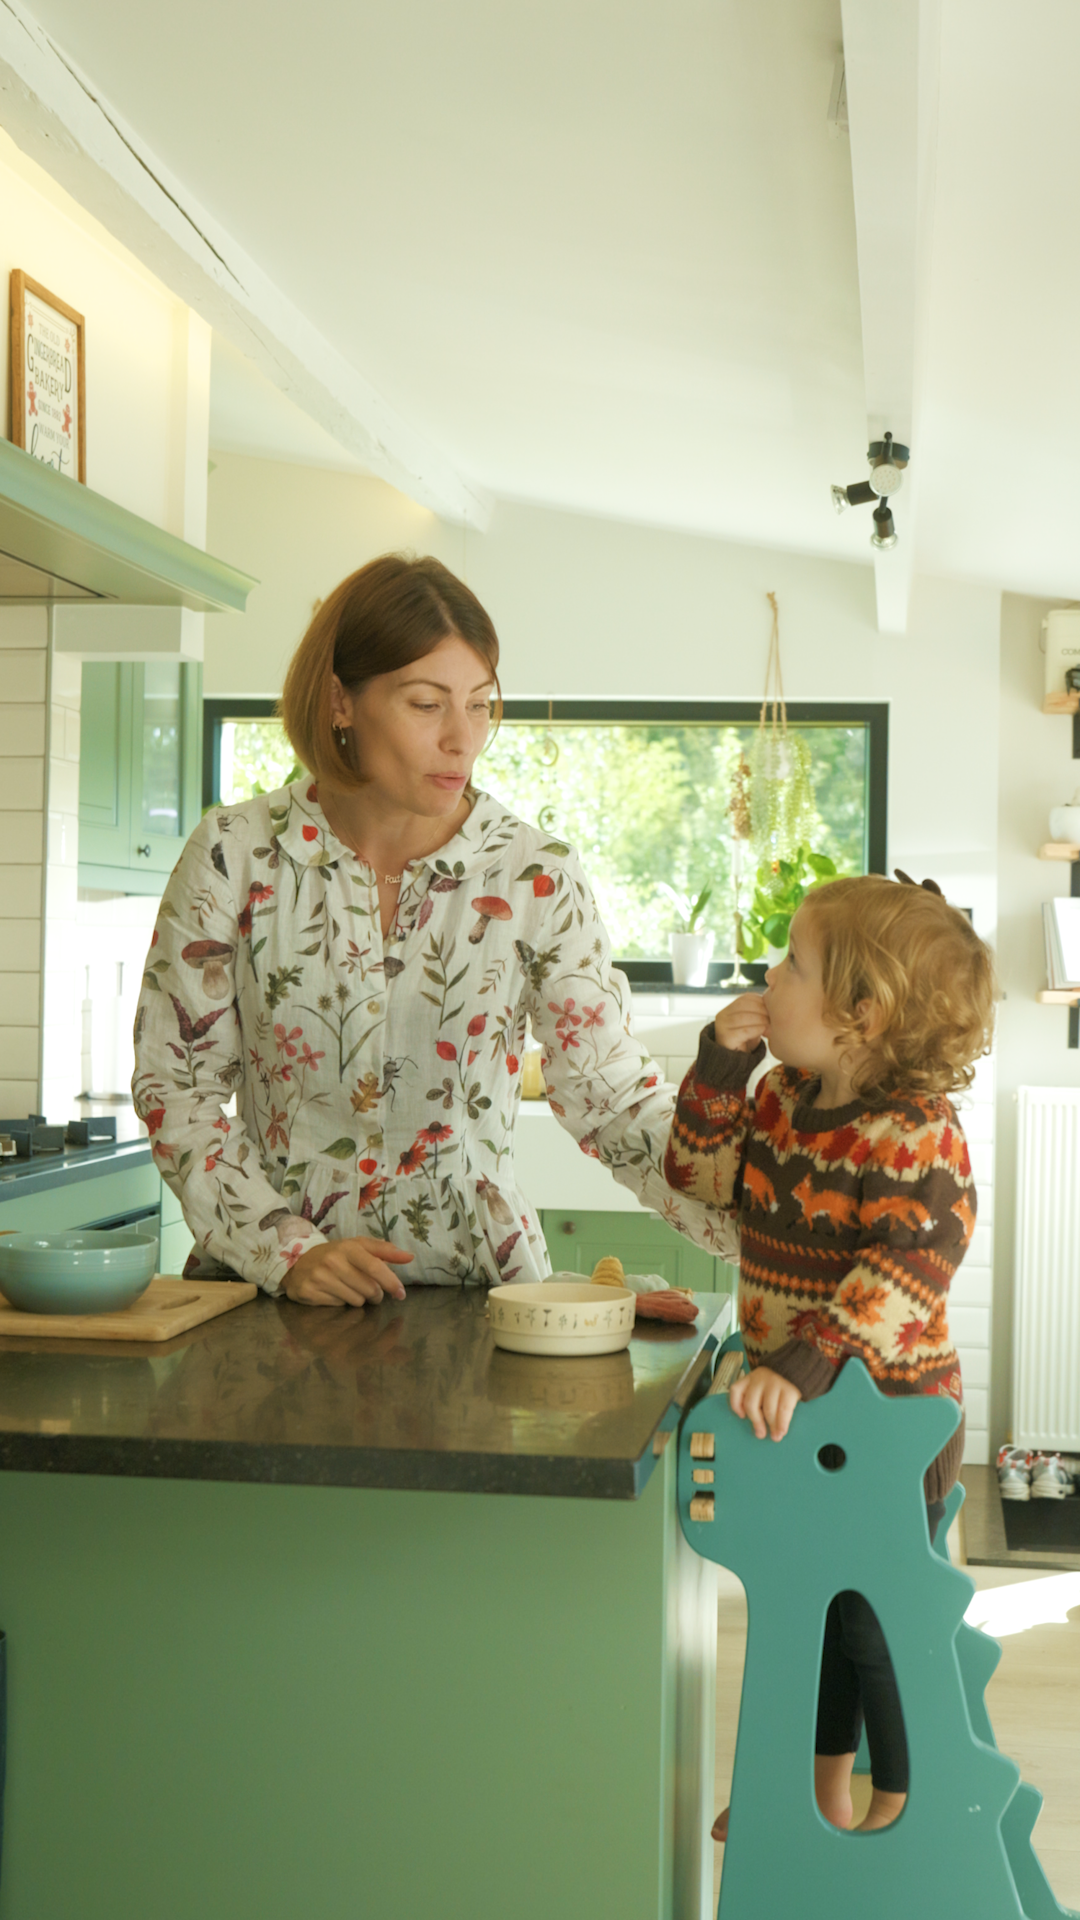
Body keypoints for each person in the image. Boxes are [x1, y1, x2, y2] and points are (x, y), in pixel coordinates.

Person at [132, 552, 737, 1304]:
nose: (464, 738)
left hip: (479, 1302)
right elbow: (176, 1092)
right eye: (427, 704)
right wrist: (286, 1251)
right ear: (340, 702)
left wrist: (780, 1217)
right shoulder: (234, 854)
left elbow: (611, 1097)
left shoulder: (533, 874)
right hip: (270, 1298)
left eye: (481, 703)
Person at [663, 872, 996, 1837]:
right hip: (797, 1416)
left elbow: (904, 1277)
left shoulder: (917, 1135)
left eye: (794, 963)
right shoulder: (779, 1096)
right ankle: (814, 1796)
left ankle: (906, 1801)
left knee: (873, 1621)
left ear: (861, 1014)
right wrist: (719, 1075)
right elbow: (700, 1177)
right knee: (812, 1606)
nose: (770, 974)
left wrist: (801, 1367)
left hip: (888, 1420)